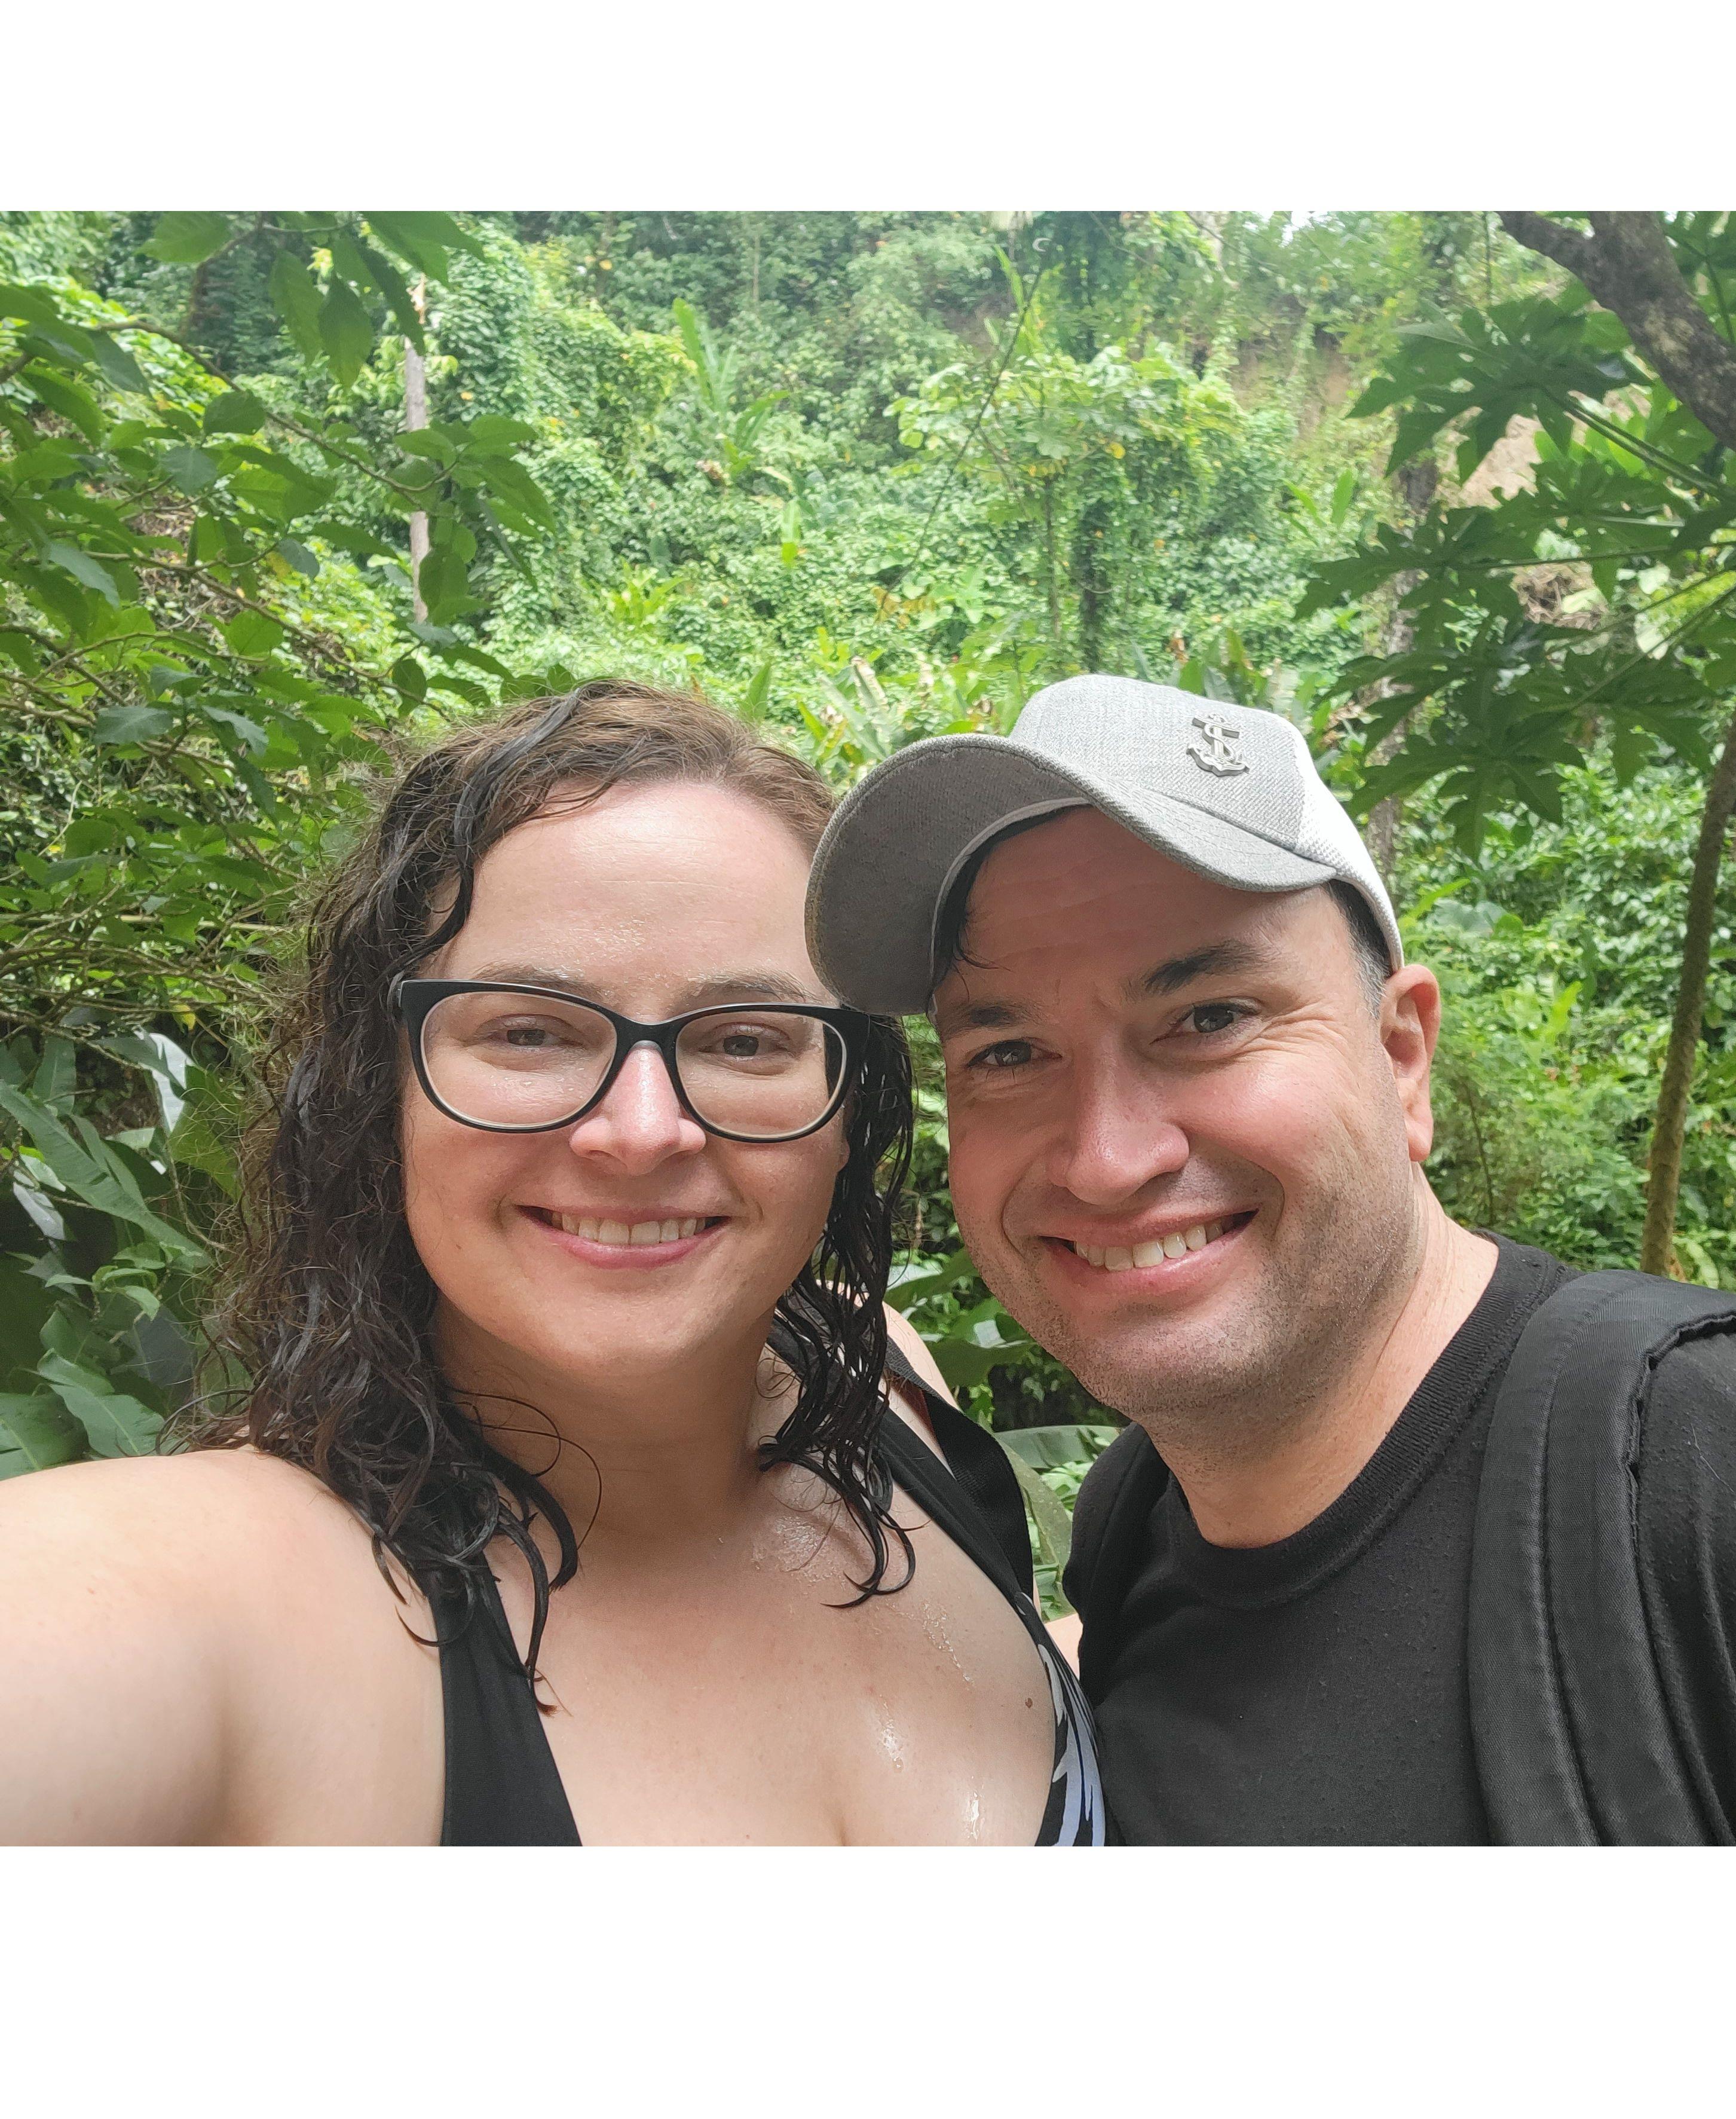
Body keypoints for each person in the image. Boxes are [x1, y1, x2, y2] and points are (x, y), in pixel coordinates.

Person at [808, 671, 1736, 1843]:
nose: (1106, 1157)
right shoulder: (1141, 1521)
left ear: (1403, 1059)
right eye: (1007, 1051)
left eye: (1211, 1015)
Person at [0, 680, 1101, 1845]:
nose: (639, 1132)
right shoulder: (227, 1597)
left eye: (743, 1039)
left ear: (847, 1106)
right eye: (528, 1029)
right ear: (387, 1089)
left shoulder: (884, 1375)